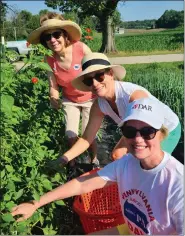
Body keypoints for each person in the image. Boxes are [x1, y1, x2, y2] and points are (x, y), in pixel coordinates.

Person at [11, 98, 184, 235]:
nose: (138, 139)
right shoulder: (127, 163)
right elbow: (82, 183)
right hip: (131, 230)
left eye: (147, 132)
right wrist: (36, 203)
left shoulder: (177, 184)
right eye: (130, 132)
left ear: (161, 134)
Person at [56, 52, 181, 165]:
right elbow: (86, 138)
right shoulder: (99, 104)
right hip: (139, 131)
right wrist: (64, 158)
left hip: (165, 129)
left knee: (149, 163)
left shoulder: (133, 96)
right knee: (118, 157)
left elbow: (147, 132)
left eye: (99, 76)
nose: (95, 83)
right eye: (89, 80)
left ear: (110, 74)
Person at [27, 12, 98, 166]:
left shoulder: (81, 49)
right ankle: (72, 162)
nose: (52, 40)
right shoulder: (49, 60)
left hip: (90, 98)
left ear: (65, 36)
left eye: (56, 34)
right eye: (47, 37)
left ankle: (95, 159)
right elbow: (53, 86)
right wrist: (54, 98)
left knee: (89, 135)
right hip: (70, 99)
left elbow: (97, 70)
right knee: (71, 134)